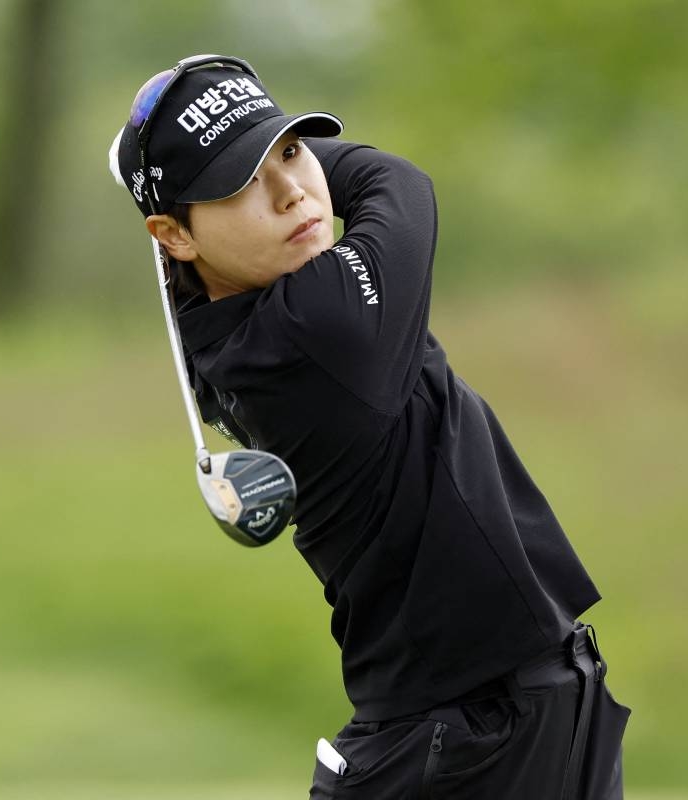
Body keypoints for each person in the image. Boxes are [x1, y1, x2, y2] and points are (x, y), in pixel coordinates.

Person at [108, 54, 631, 799]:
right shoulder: (321, 328)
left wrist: (229, 140)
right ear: (175, 235)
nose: (292, 193)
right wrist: (259, 143)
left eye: (291, 152)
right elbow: (399, 185)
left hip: (518, 714)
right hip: (459, 744)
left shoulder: (220, 318)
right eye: (242, 182)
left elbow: (245, 222)